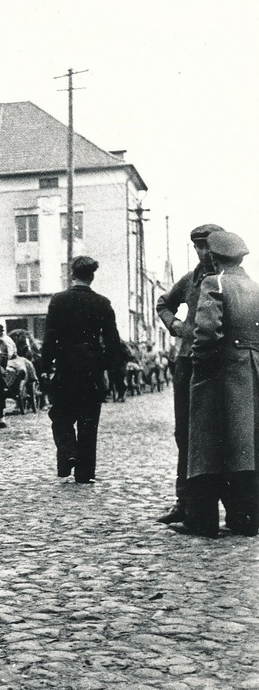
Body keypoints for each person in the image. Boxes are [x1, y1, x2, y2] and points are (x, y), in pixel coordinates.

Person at [179, 230, 259, 538]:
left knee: (206, 445)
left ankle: (202, 520)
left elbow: (207, 331)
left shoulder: (215, 282)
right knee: (245, 446)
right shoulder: (254, 288)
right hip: (251, 372)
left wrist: (200, 365)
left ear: (213, 257)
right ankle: (246, 518)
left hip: (217, 374)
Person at [154, 224, 223, 524]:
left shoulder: (227, 280)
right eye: (199, 246)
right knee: (184, 434)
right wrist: (176, 326)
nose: (204, 252)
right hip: (186, 363)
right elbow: (163, 303)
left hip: (220, 364)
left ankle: (223, 504)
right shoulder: (189, 281)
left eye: (208, 245)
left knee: (219, 435)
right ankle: (184, 501)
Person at [41, 255, 121, 483]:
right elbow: (114, 342)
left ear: (72, 275)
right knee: (88, 421)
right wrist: (103, 365)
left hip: (65, 367)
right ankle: (85, 473)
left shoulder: (59, 300)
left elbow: (50, 338)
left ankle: (68, 454)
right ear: (92, 277)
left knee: (61, 415)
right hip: (92, 369)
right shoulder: (102, 303)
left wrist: (46, 367)